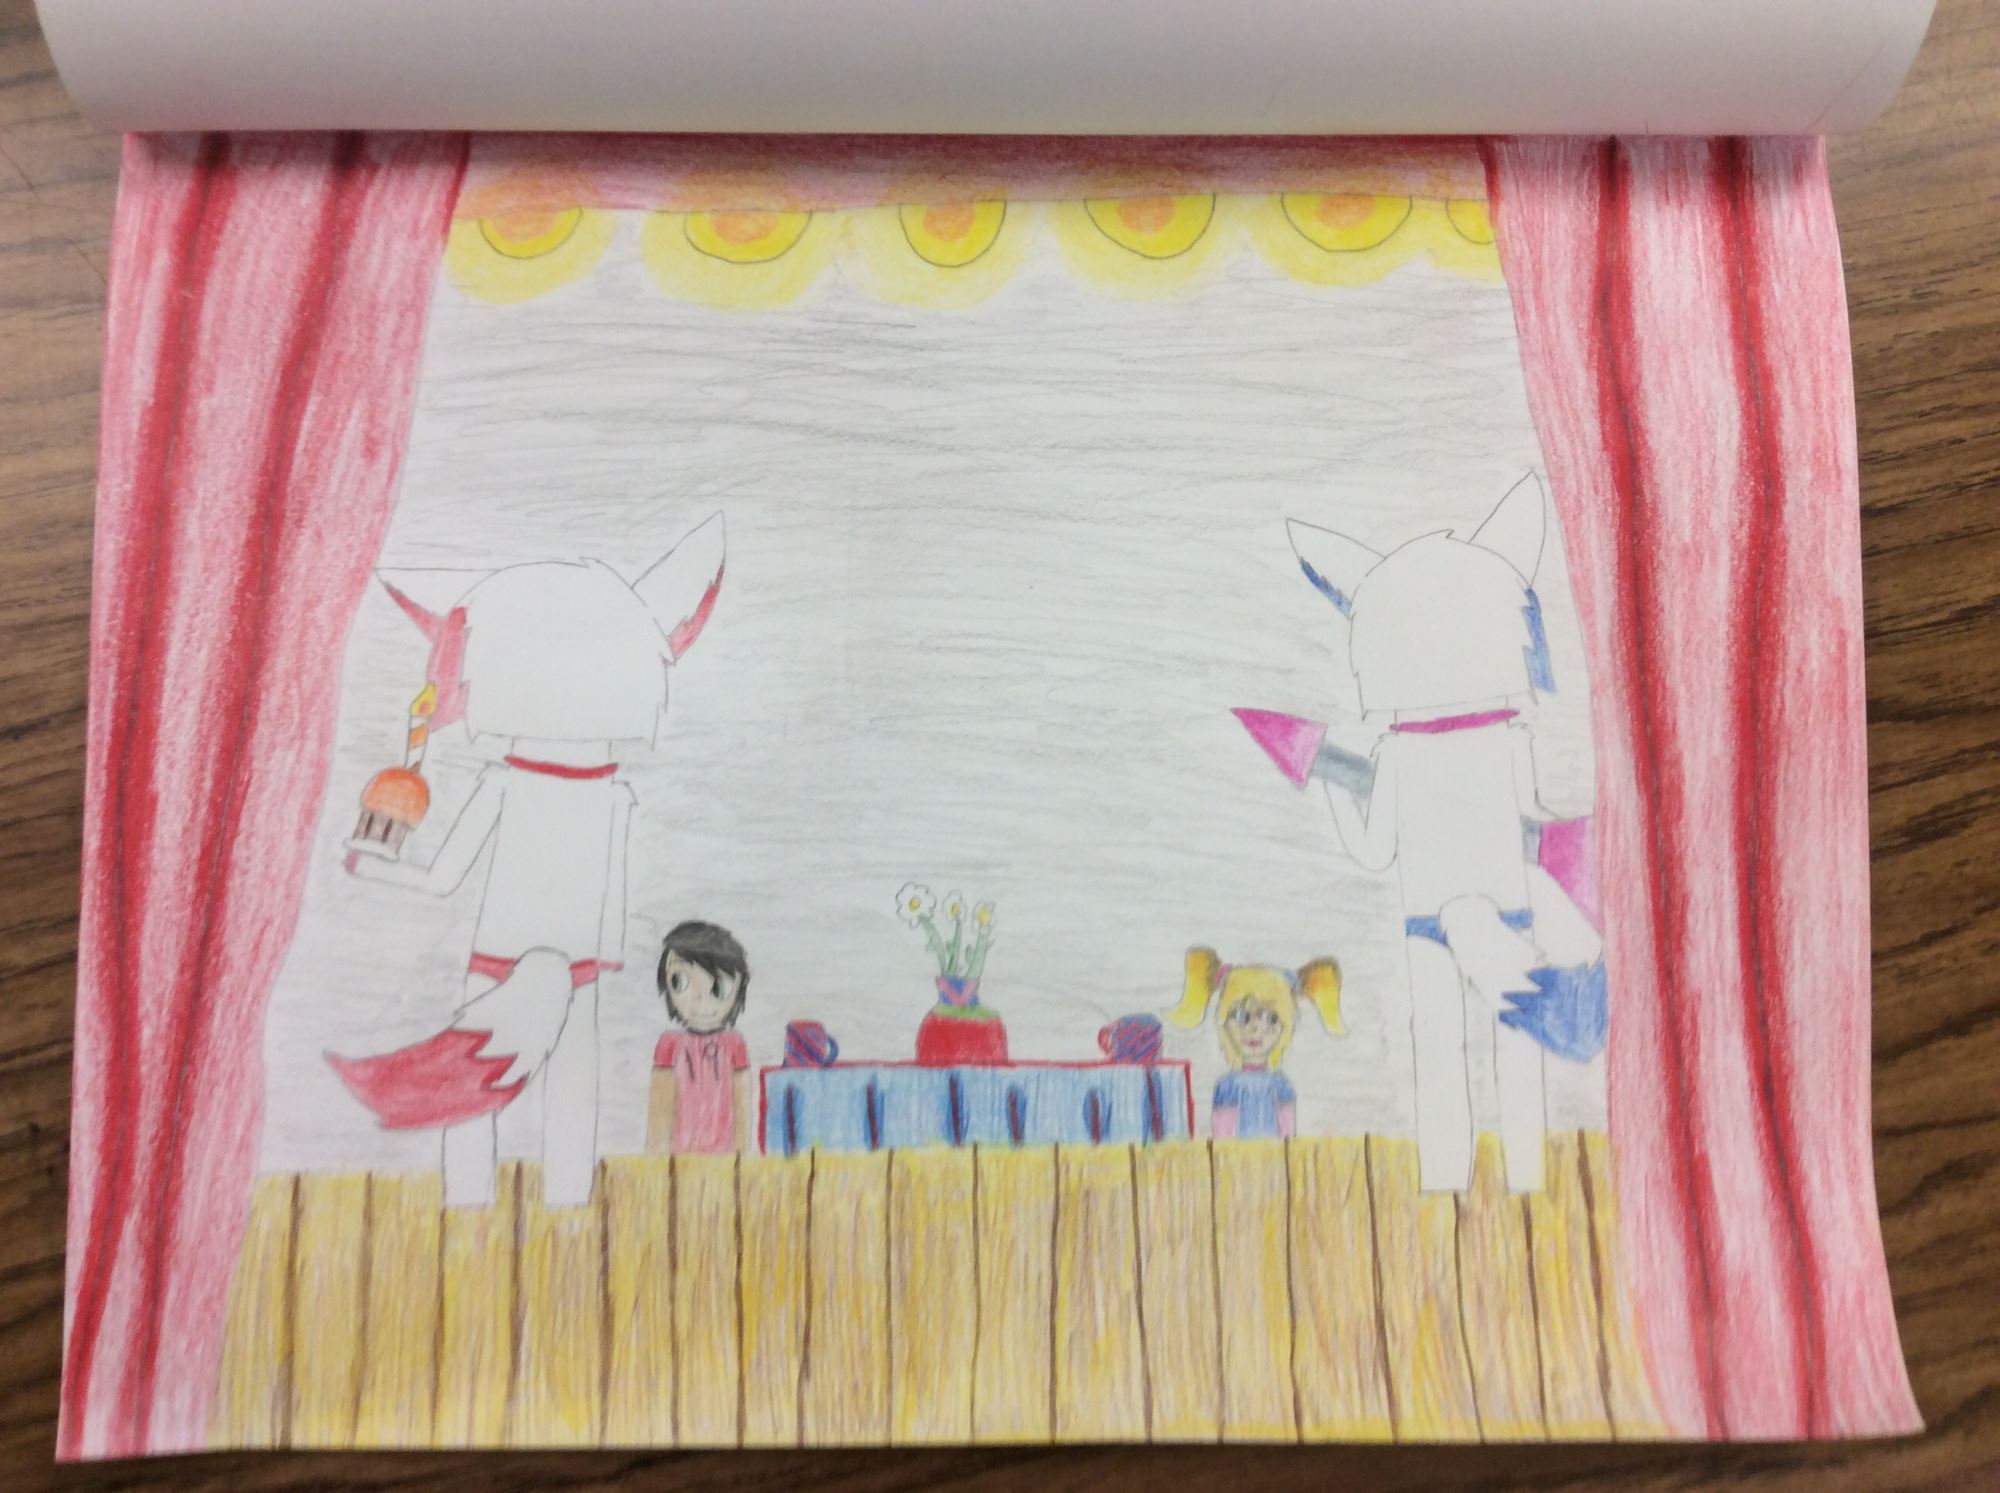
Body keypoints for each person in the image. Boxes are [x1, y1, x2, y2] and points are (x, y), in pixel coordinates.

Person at [647, 920, 754, 1155]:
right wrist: (656, 1165)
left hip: (725, 1162)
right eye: (680, 982)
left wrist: (742, 1162)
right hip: (677, 1162)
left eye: (717, 989)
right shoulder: (669, 1045)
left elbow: (743, 1114)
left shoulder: (735, 1045)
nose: (698, 999)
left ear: (738, 992)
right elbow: (659, 1117)